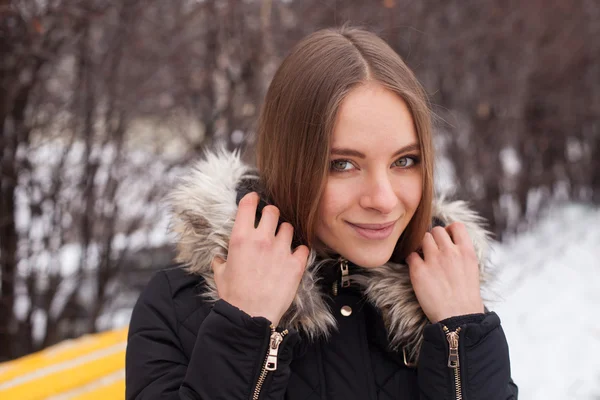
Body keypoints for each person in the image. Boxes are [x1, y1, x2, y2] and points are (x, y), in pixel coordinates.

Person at [125, 27, 518, 400]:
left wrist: (461, 335)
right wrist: (245, 329)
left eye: (405, 160)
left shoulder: (447, 293)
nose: (382, 199)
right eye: (343, 164)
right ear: (290, 162)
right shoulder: (178, 307)